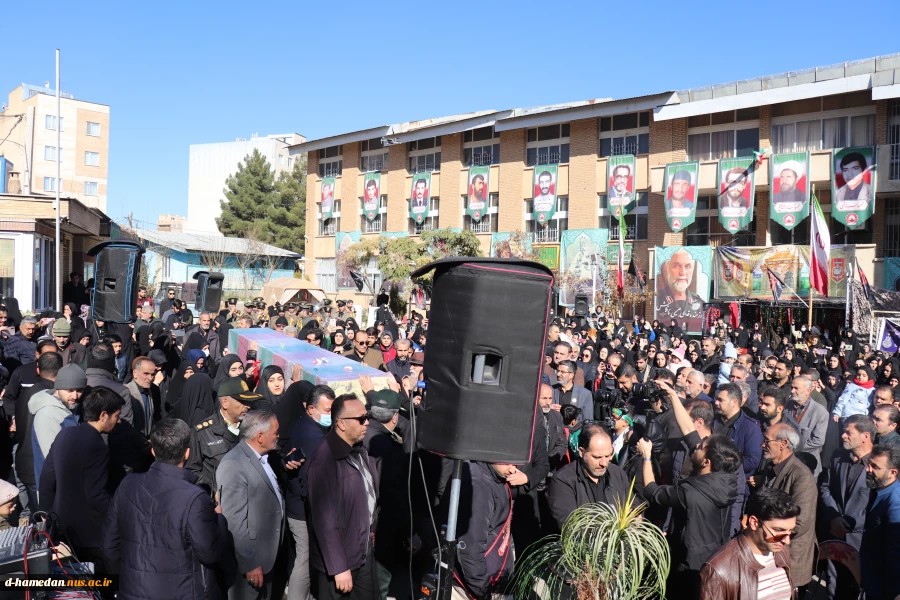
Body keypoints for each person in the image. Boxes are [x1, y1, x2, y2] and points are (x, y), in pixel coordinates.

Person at [103, 418, 230, 598]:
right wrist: (219, 519)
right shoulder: (195, 498)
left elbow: (109, 545)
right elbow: (210, 552)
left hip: (132, 591)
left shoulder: (128, 484)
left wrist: (121, 585)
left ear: (153, 451)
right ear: (187, 453)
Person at [39, 387, 125, 572]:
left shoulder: (64, 434)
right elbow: (96, 494)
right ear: (103, 415)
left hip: (63, 529)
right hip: (90, 534)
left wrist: (48, 517)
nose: (118, 421)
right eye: (117, 416)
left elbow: (47, 479)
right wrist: (119, 516)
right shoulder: (97, 446)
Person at [306, 394, 379, 600]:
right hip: (341, 564)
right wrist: (339, 567)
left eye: (367, 417)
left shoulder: (359, 451)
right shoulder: (324, 461)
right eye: (361, 419)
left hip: (362, 553)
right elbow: (324, 521)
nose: (367, 423)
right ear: (341, 424)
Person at [217, 410, 286, 600]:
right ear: (260, 436)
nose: (278, 436)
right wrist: (249, 563)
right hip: (250, 564)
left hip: (267, 559)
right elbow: (234, 521)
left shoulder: (262, 457)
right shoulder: (234, 464)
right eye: (275, 432)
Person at [700, 487, 798, 599]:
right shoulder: (718, 570)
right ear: (754, 522)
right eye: (779, 531)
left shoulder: (781, 551)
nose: (787, 540)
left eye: (791, 532)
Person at [750, 424, 817, 590]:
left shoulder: (802, 477)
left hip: (790, 557)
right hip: (769, 551)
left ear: (783, 444)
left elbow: (800, 523)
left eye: (767, 441)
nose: (762, 445)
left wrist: (764, 533)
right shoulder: (771, 469)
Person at [451, 460, 517, 600]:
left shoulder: (495, 476)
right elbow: (471, 548)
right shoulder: (480, 486)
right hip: (478, 585)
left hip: (495, 577)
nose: (513, 470)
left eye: (516, 464)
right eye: (508, 463)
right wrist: (483, 591)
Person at [546, 423, 632, 529]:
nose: (604, 463)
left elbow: (633, 505)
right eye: (597, 457)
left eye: (608, 455)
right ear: (582, 452)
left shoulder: (617, 473)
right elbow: (570, 526)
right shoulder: (562, 481)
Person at [187, 377, 256, 494]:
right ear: (225, 403)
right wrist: (213, 491)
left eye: (248, 402)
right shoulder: (203, 432)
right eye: (242, 401)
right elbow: (192, 470)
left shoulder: (253, 427)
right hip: (219, 503)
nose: (247, 406)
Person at [29, 363, 86, 487]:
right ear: (58, 388)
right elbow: (57, 460)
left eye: (79, 390)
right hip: (56, 490)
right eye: (69, 390)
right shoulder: (47, 415)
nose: (75, 396)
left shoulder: (70, 407)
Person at [861, 444, 900, 600]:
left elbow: (896, 552)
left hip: (885, 585)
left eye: (875, 467)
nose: (867, 470)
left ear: (893, 472)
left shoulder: (895, 502)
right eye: (868, 464)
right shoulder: (879, 489)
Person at [787, 375, 829, 474]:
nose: (792, 391)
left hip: (807, 463)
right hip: (786, 461)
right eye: (792, 387)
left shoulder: (820, 412)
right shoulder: (788, 405)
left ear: (808, 391)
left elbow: (818, 441)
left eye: (796, 388)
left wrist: (792, 448)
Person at [656, 250, 703, 330]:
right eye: (677, 266)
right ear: (665, 269)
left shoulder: (700, 303)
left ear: (693, 269)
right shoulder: (657, 301)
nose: (682, 272)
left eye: (687, 266)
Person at [125, 356, 162, 437]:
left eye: (153, 374)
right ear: (135, 373)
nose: (150, 378)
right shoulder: (126, 392)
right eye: (146, 373)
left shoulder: (152, 390)